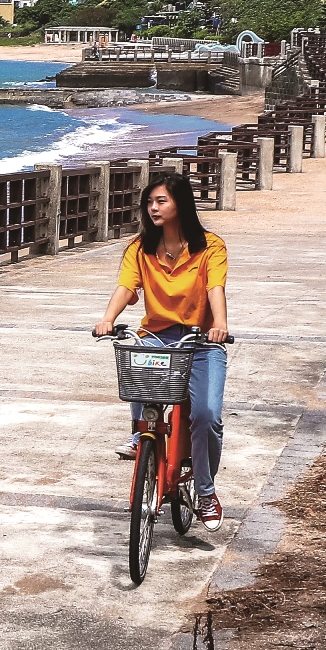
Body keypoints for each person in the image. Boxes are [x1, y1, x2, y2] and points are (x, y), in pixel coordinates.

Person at [92, 171, 230, 524]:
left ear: (180, 204)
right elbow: (126, 286)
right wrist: (107, 318)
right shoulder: (140, 248)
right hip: (158, 335)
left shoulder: (210, 246)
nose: (153, 208)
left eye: (161, 201)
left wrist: (220, 325)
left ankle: (205, 492)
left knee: (207, 416)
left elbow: (215, 287)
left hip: (200, 340)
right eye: (149, 202)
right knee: (135, 358)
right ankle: (142, 435)